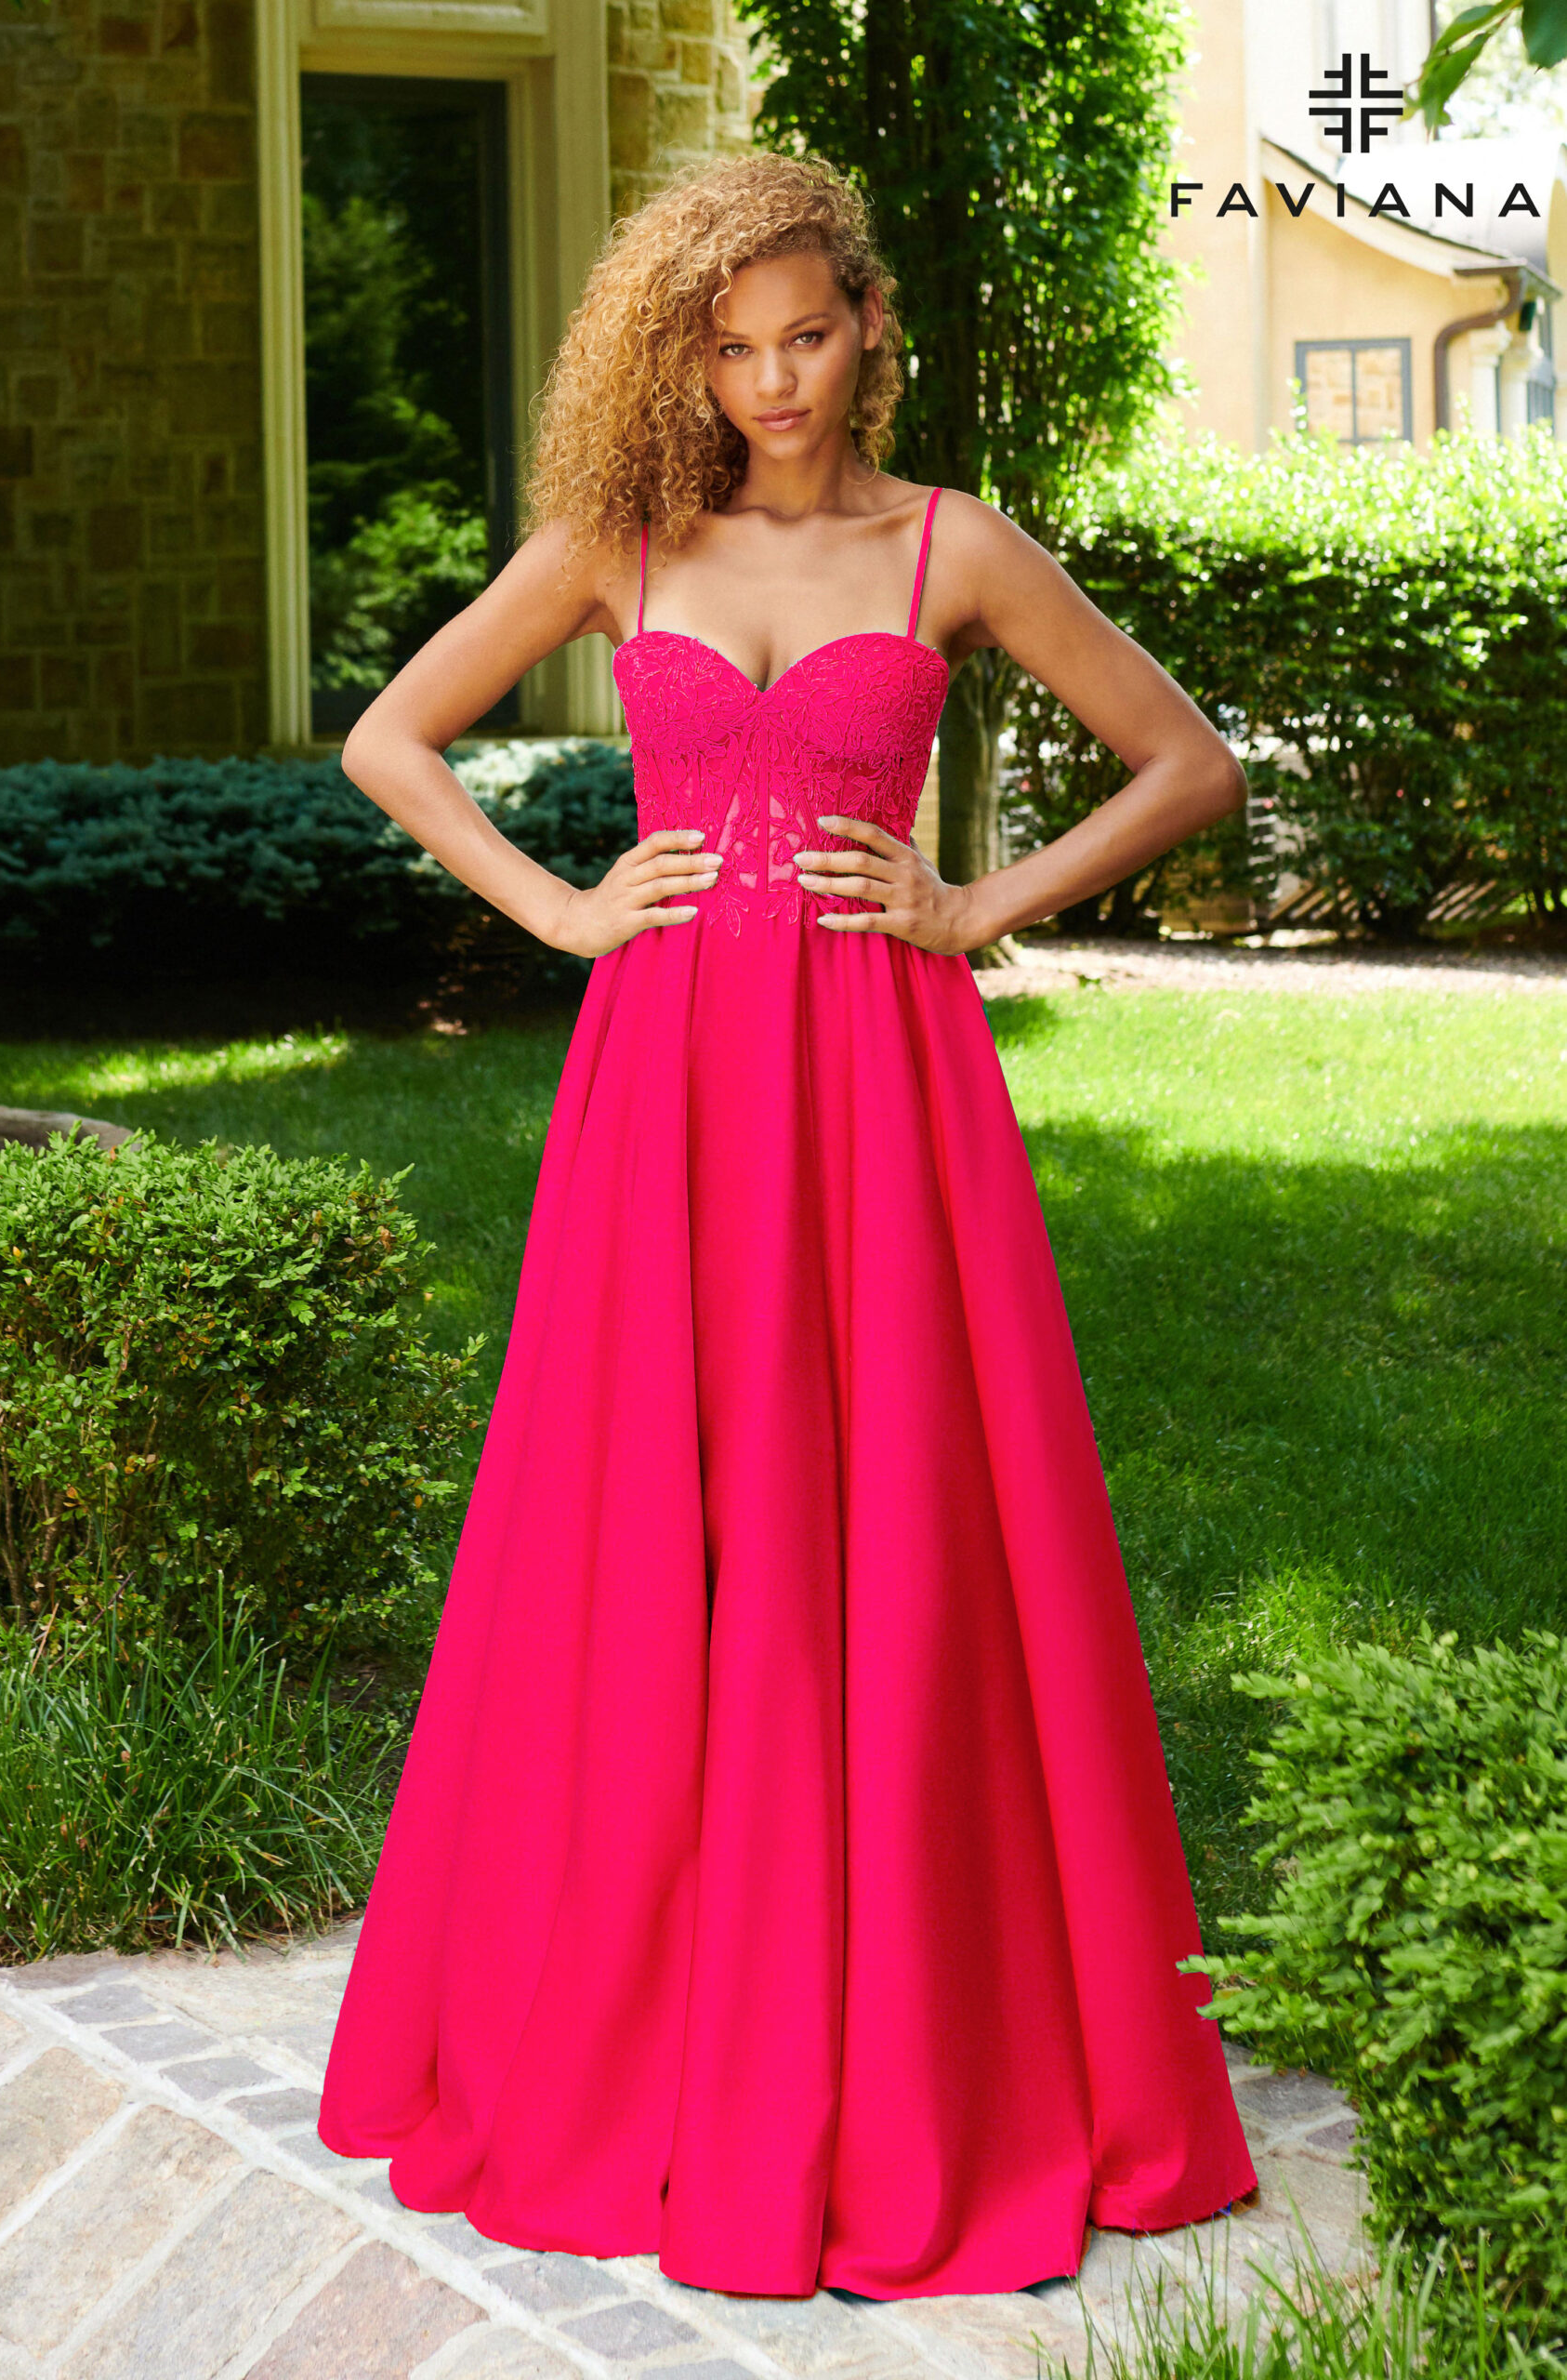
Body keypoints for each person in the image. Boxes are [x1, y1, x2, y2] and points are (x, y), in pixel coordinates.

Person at [318, 150, 1258, 2303]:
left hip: (881, 1086)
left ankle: (916, 2021)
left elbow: (1184, 764)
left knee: (900, 1513)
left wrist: (969, 902)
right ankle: (653, 2013)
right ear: (684, 355)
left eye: (806, 334)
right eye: (731, 346)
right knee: (656, 1515)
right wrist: (564, 907)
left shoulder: (950, 547)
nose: (772, 380)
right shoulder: (619, 544)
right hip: (661, 1093)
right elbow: (392, 735)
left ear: (869, 324)